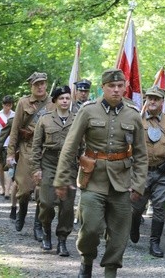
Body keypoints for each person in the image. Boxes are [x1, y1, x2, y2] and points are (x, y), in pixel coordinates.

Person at [54, 68, 148, 278]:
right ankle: (87, 261)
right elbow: (70, 146)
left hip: (122, 182)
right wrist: (61, 179)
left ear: (124, 87)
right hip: (93, 180)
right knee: (91, 228)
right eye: (111, 86)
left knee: (119, 234)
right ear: (103, 87)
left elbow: (141, 154)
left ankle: (110, 271)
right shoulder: (88, 111)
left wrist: (138, 184)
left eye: (120, 86)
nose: (116, 90)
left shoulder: (133, 114)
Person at [130, 85, 165, 258]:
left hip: (162, 173)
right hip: (141, 172)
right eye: (149, 98)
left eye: (156, 98)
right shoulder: (137, 120)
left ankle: (154, 243)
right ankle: (133, 225)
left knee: (160, 207)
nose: (152, 101)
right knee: (136, 207)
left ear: (162, 101)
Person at [31, 85, 79, 255]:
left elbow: (83, 145)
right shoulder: (45, 119)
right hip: (49, 163)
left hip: (69, 165)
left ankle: (62, 240)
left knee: (67, 206)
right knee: (47, 203)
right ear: (55, 101)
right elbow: (36, 146)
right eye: (61, 98)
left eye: (67, 98)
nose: (65, 101)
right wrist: (36, 168)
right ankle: (46, 232)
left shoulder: (77, 119)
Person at [6, 72, 54, 241]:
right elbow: (15, 129)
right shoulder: (23, 102)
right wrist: (10, 153)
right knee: (25, 190)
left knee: (42, 193)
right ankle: (22, 211)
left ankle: (37, 225)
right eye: (36, 84)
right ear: (31, 86)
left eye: (42, 83)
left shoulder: (53, 102)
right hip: (27, 149)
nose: (40, 87)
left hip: (46, 151)